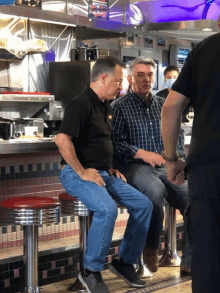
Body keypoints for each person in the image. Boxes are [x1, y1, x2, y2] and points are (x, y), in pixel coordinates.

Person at [56, 56, 153, 293]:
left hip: (104, 174)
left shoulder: (104, 104)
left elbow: (100, 142)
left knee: (144, 205)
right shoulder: (81, 103)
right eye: (118, 81)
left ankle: (125, 262)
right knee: (107, 209)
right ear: (103, 77)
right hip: (76, 174)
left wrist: (109, 165)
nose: (121, 86)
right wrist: (82, 171)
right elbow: (62, 139)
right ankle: (90, 271)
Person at [111, 56, 192, 276]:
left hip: (165, 166)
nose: (146, 79)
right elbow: (114, 144)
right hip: (134, 166)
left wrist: (179, 159)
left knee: (195, 199)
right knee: (154, 192)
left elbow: (176, 134)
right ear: (130, 78)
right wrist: (142, 154)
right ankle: (151, 248)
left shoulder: (163, 105)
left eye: (149, 75)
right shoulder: (118, 107)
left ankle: (191, 260)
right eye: (140, 75)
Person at [161, 32, 220, 293]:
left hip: (207, 168)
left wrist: (171, 158)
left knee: (207, 254)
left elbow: (171, 107)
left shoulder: (205, 49)